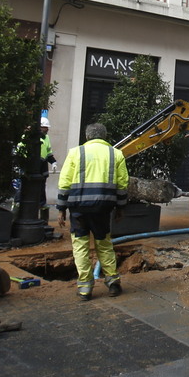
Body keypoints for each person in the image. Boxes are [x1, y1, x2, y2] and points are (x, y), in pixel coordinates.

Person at [57, 122, 129, 301]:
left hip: (79, 208)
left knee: (80, 246)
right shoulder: (116, 154)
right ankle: (113, 283)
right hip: (102, 208)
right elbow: (122, 184)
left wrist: (61, 209)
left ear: (87, 136)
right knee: (104, 244)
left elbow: (65, 182)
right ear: (104, 136)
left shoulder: (76, 153)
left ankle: (85, 289)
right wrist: (120, 208)